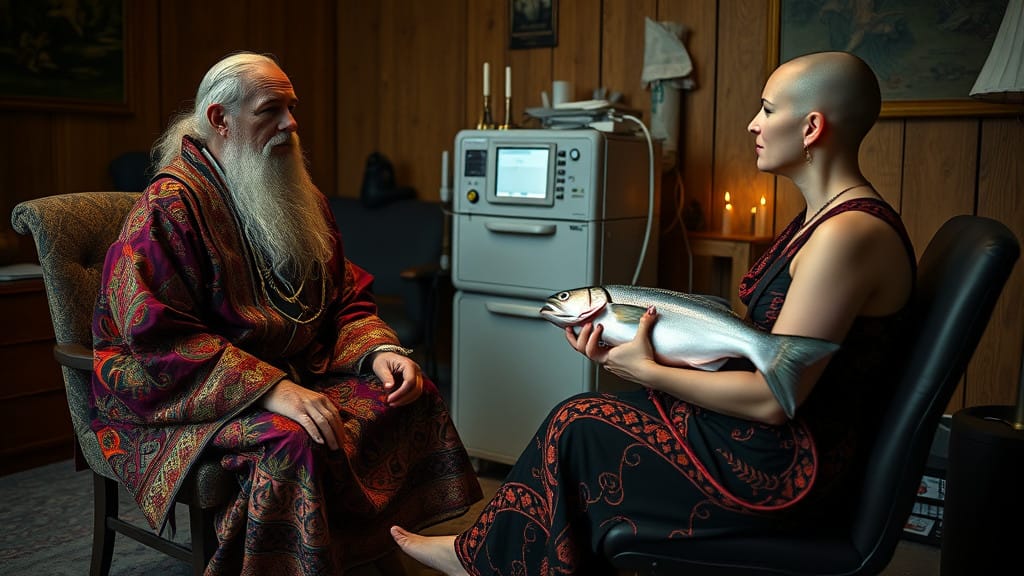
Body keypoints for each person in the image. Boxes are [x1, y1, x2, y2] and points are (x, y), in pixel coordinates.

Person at [391, 51, 915, 575]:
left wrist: (649, 371)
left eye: (768, 109)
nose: (753, 124)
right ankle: (486, 553)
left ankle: (479, 559)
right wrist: (647, 352)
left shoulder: (846, 236)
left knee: (578, 425)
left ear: (812, 127)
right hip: (768, 441)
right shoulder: (821, 220)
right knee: (587, 418)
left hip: (782, 468)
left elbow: (773, 400)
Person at [91, 51, 482, 575]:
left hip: (291, 366)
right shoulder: (166, 209)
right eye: (270, 110)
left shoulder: (299, 195)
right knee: (292, 440)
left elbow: (340, 295)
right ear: (220, 119)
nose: (291, 123)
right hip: (176, 392)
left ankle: (372, 546)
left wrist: (379, 351)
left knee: (408, 392)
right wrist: (271, 390)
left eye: (291, 107)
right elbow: (157, 338)